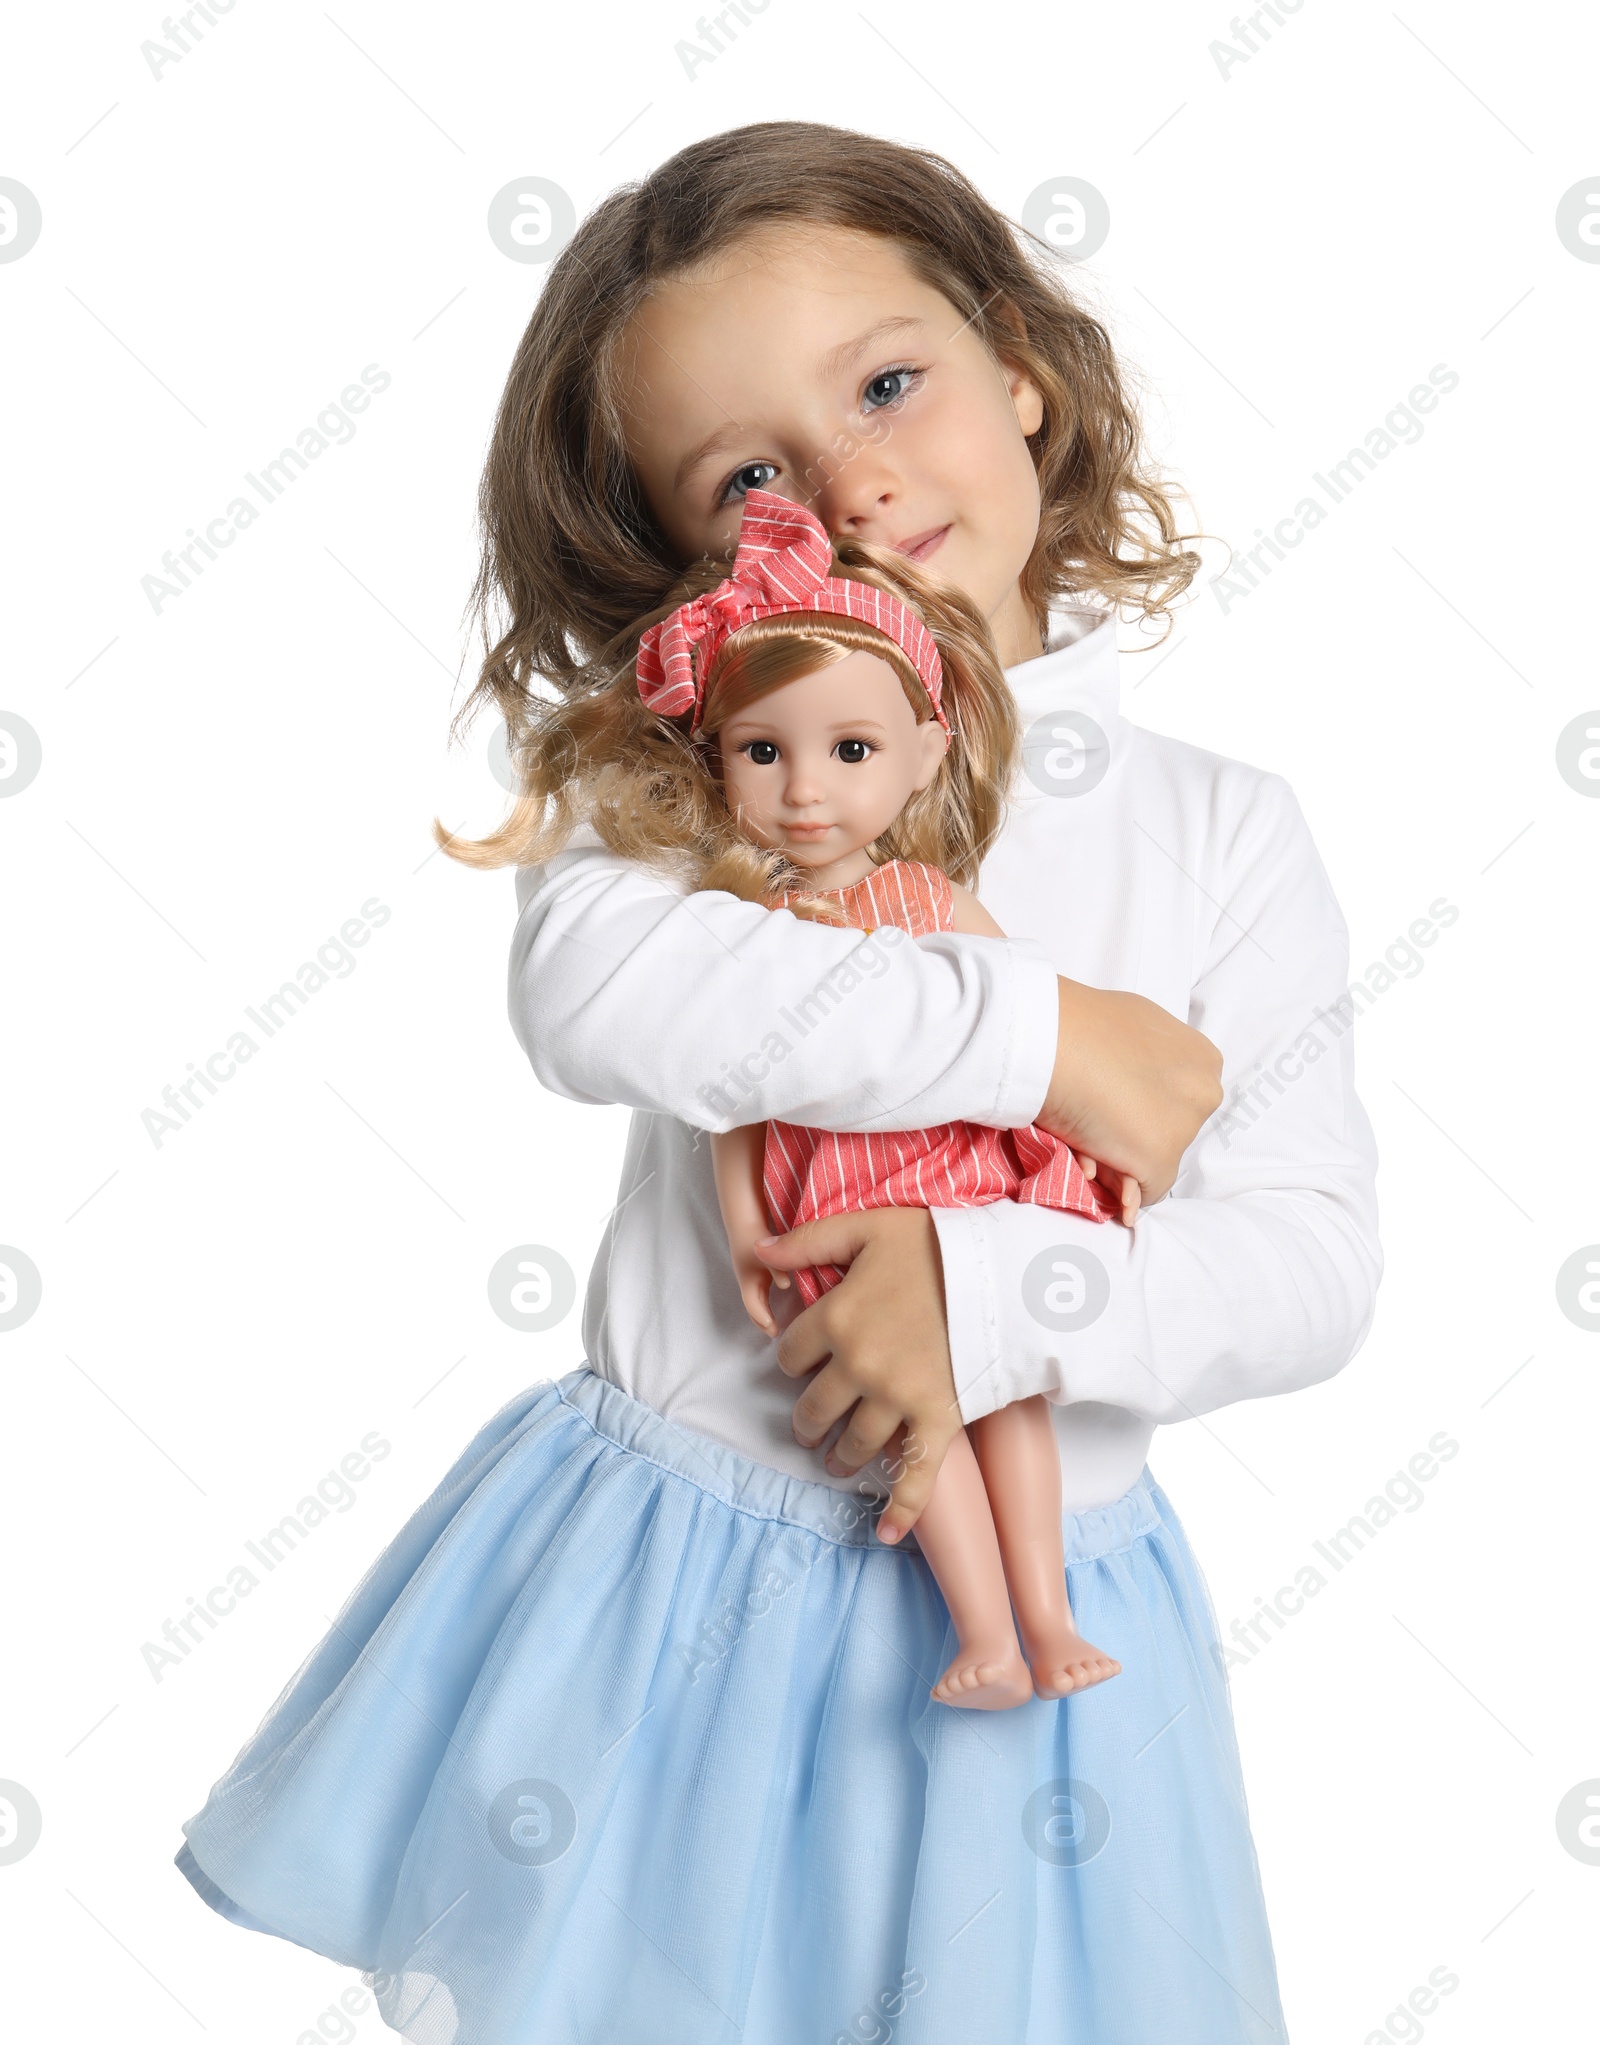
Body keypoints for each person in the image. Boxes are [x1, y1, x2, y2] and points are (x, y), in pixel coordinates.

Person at [174, 122, 1380, 2044]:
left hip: (1046, 1619)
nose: (852, 481)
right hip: (686, 1593)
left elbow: (1308, 1267)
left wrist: (987, 1303)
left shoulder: (1220, 832)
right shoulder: (690, 790)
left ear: (1026, 379)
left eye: (889, 383)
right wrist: (1051, 1040)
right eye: (748, 473)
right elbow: (603, 998)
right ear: (678, 557)